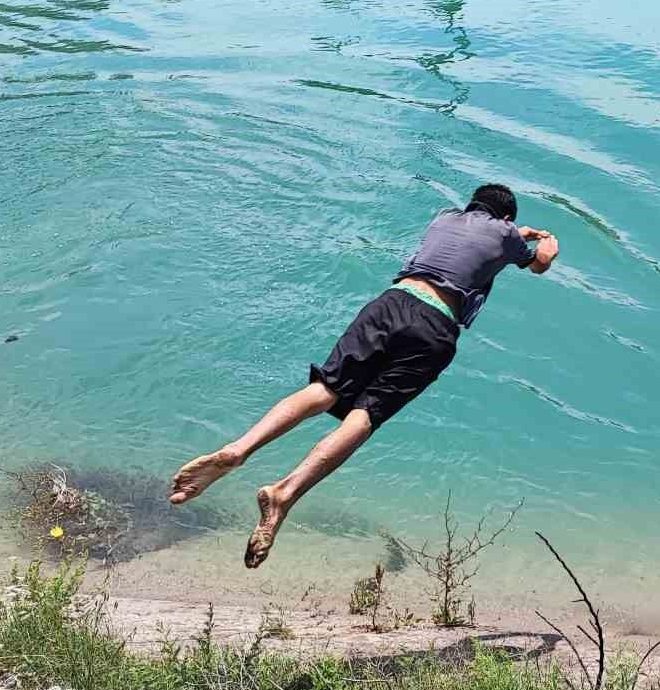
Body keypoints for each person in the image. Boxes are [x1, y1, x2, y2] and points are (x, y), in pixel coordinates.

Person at [167, 183, 558, 568]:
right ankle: (284, 494)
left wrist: (513, 233)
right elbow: (536, 263)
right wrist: (548, 247)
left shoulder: (444, 218)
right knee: (364, 417)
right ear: (507, 217)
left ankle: (239, 449)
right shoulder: (506, 233)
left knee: (324, 391)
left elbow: (484, 236)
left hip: (392, 303)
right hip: (435, 326)